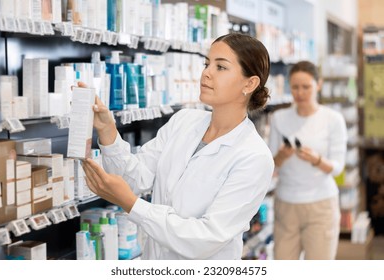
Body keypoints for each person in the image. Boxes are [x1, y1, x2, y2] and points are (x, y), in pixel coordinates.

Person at [81, 33, 275, 260]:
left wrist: (132, 205)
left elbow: (205, 239)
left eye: (221, 67)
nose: (206, 73)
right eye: (206, 63)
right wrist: (108, 131)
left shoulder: (254, 157)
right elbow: (135, 178)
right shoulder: (183, 121)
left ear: (249, 83)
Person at [268, 60, 347, 260]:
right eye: (295, 87)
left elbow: (337, 168)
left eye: (306, 87)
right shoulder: (279, 118)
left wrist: (317, 159)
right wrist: (282, 156)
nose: (300, 93)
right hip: (286, 204)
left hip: (321, 205)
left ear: (318, 85)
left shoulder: (333, 119)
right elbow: (270, 165)